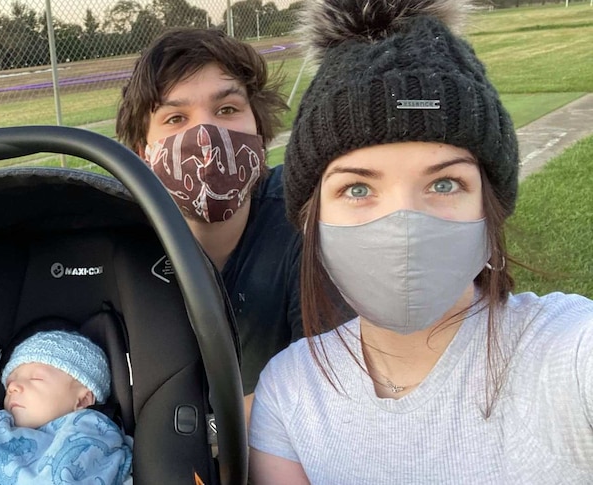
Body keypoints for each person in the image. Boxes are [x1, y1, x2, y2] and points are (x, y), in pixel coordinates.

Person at [249, 0, 593, 483]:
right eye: (358, 188)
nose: (403, 225)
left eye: (444, 184)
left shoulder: (570, 351)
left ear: (489, 206)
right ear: (312, 219)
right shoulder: (289, 393)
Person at [116, 28, 352, 422]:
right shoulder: (123, 242)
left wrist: (200, 437)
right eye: (176, 118)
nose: (206, 136)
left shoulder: (303, 217)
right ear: (144, 153)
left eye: (227, 110)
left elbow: (328, 388)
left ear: (259, 128)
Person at [0, 330, 133, 484]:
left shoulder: (92, 438)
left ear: (81, 402)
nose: (12, 387)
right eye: (9, 383)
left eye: (35, 378)